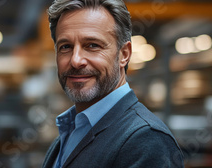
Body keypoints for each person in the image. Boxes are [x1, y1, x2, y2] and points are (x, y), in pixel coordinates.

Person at [42, 0, 184, 167]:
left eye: (92, 45)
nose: (76, 60)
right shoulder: (69, 134)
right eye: (65, 47)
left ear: (124, 54)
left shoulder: (146, 140)